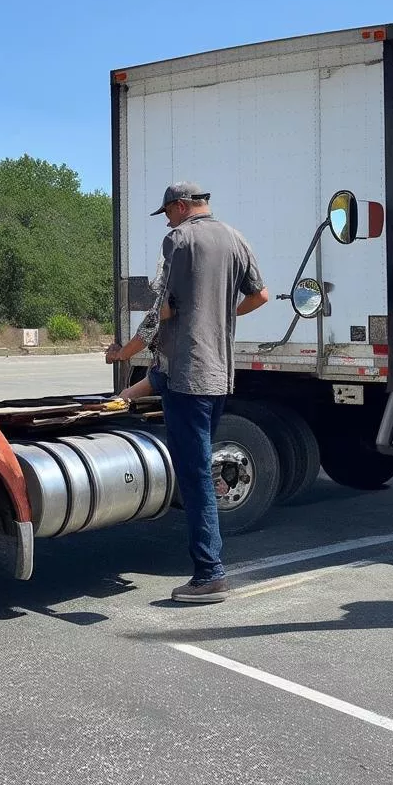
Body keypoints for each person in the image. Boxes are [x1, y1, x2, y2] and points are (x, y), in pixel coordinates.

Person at [106, 181, 269, 603]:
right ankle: (208, 567)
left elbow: (164, 311)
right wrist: (219, 313)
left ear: (180, 206)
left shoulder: (179, 240)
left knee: (196, 478)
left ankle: (210, 574)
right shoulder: (236, 238)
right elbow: (261, 295)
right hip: (218, 376)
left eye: (167, 213)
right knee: (200, 470)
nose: (168, 220)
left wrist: (123, 351)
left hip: (188, 379)